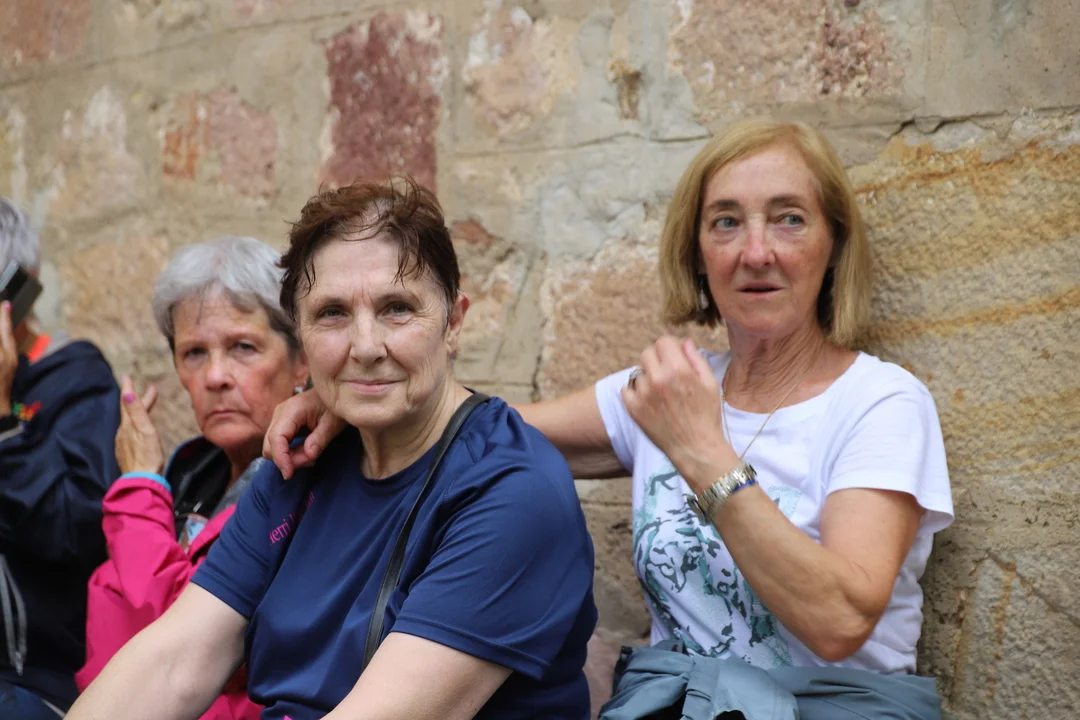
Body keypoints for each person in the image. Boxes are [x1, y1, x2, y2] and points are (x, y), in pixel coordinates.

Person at [264, 121, 955, 717]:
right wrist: (355, 397)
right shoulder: (669, 387)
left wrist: (701, 450)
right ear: (697, 253)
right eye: (726, 222)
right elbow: (470, 431)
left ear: (834, 244)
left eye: (789, 219)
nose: (755, 251)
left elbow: (839, 620)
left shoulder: (880, 401)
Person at [68, 178, 597, 720]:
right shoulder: (297, 466)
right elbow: (174, 662)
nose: (365, 347)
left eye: (397, 308)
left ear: (454, 322)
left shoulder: (511, 491)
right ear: (302, 334)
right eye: (332, 313)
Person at [75, 236, 309, 720]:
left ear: (301, 360)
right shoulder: (190, 476)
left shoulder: (309, 481)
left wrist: (138, 487)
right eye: (194, 353)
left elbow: (191, 643)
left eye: (243, 347)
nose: (215, 376)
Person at [0, 198, 121, 718]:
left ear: (17, 291)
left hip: (36, 681)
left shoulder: (77, 379)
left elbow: (77, 530)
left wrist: (4, 422)